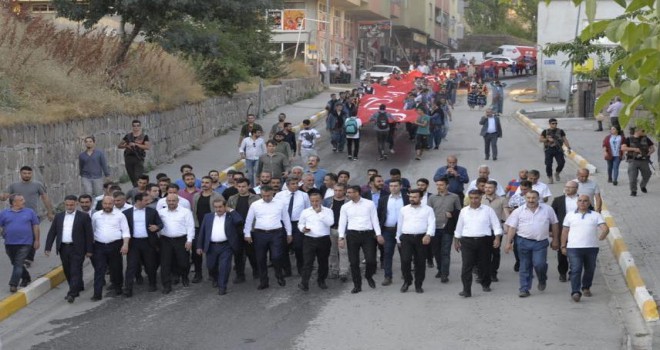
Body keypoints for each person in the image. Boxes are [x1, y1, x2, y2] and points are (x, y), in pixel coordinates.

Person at [504, 191, 559, 298]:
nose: (531, 200)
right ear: (525, 198)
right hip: (523, 241)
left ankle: (542, 278)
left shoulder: (547, 209)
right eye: (528, 198)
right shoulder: (518, 211)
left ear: (538, 198)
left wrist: (556, 239)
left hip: (540, 242)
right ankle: (524, 288)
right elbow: (512, 227)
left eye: (533, 198)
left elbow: (554, 224)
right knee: (525, 265)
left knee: (540, 264)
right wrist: (508, 242)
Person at [1, 165, 55, 267]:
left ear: (32, 174)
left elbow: (45, 198)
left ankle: (29, 259)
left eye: (29, 173)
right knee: (21, 236)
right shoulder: (14, 186)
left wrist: (50, 212)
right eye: (24, 173)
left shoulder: (37, 185)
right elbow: (4, 197)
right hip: (16, 216)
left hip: (33, 215)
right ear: (20, 174)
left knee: (32, 237)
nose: (27, 175)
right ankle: (21, 255)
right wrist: (2, 196)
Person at [454, 190, 503, 298]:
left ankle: (485, 284)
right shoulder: (464, 211)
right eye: (471, 198)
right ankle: (466, 290)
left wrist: (497, 238)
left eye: (476, 198)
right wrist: (456, 240)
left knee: (484, 264)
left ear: (481, 198)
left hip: (484, 240)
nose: (473, 200)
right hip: (467, 241)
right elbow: (459, 226)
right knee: (467, 266)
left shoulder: (488, 210)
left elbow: (496, 225)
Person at [44, 195, 93, 302]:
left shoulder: (83, 217)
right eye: (67, 205)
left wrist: (89, 250)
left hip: (77, 248)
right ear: (64, 205)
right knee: (67, 270)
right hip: (63, 248)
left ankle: (72, 293)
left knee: (75, 269)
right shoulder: (59, 216)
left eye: (71, 205)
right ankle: (78, 285)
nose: (69, 207)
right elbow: (52, 232)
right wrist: (48, 247)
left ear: (76, 204)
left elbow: (89, 234)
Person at [561, 194, 609, 302]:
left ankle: (586, 287)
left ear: (589, 203)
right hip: (574, 248)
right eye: (580, 200)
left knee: (590, 269)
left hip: (591, 247)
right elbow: (564, 231)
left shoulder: (596, 215)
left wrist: (603, 234)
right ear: (577, 202)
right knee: (576, 269)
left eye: (585, 201)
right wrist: (563, 245)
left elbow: (605, 228)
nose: (582, 203)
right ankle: (575, 292)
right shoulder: (570, 215)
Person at [338, 185, 384, 294]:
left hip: (368, 235)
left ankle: (369, 275)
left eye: (350, 192)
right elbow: (342, 222)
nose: (347, 194)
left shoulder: (369, 204)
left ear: (357, 193)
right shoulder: (345, 206)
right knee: (353, 262)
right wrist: (341, 237)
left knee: (371, 260)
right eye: (347, 192)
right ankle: (357, 285)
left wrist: (378, 234)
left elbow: (374, 219)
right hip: (352, 235)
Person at [244, 186, 292, 289]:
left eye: (268, 195)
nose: (266, 198)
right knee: (261, 258)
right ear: (261, 194)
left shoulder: (280, 203)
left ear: (272, 194)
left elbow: (286, 218)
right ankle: (264, 281)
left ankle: (279, 274)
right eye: (264, 195)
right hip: (260, 234)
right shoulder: (255, 205)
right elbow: (249, 220)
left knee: (276, 256)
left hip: (276, 233)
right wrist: (247, 234)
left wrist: (289, 233)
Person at [197, 198, 243, 295]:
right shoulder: (208, 217)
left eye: (220, 207)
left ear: (225, 206)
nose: (218, 209)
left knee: (224, 266)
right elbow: (202, 232)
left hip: (226, 246)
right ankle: (215, 278)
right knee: (211, 266)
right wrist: (199, 246)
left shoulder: (230, 216)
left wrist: (231, 210)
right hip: (211, 246)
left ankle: (222, 287)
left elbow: (239, 221)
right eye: (216, 207)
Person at [122, 193, 163, 297]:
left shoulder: (152, 212)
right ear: (138, 201)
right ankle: (128, 288)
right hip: (133, 242)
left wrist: (156, 227)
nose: (148, 202)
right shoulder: (126, 213)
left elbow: (160, 224)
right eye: (146, 200)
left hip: (148, 242)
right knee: (131, 265)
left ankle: (152, 284)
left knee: (150, 264)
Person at [90, 196, 130, 301]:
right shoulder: (96, 215)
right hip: (99, 246)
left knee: (116, 268)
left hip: (115, 245)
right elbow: (92, 230)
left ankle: (118, 288)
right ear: (102, 204)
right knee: (99, 270)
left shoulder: (120, 215)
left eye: (109, 204)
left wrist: (125, 244)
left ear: (113, 204)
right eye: (105, 204)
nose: (107, 206)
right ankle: (97, 294)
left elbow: (125, 231)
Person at [396, 190, 435, 293]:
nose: (412, 199)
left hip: (421, 238)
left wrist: (428, 235)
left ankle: (418, 284)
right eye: (411, 197)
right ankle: (407, 281)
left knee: (420, 262)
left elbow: (431, 223)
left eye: (415, 197)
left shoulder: (428, 210)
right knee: (405, 260)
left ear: (421, 198)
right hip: (406, 237)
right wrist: (398, 238)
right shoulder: (404, 210)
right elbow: (399, 224)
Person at [0, 194, 40, 293]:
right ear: (14, 203)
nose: (24, 201)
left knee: (18, 263)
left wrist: (37, 240)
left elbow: (36, 226)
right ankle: (26, 277)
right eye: (21, 200)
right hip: (9, 243)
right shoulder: (4, 213)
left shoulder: (29, 212)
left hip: (25, 243)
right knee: (15, 263)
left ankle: (13, 284)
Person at [158, 194, 195, 294]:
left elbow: (190, 227)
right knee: (165, 264)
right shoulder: (161, 212)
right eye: (169, 201)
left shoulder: (185, 212)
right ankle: (166, 285)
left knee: (183, 262)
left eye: (173, 201)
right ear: (166, 202)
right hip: (166, 240)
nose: (171, 203)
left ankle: (184, 276)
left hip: (181, 240)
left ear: (178, 201)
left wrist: (189, 240)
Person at [297, 192, 334, 291]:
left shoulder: (328, 211)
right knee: (308, 262)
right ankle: (304, 282)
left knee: (323, 262)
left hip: (323, 239)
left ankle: (321, 280)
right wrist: (303, 229)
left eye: (317, 200)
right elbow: (300, 223)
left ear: (321, 200)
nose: (314, 203)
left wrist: (320, 213)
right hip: (309, 239)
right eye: (312, 201)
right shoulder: (305, 212)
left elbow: (330, 223)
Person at [274, 177, 311, 276]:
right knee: (283, 247)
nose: (295, 185)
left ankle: (301, 268)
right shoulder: (279, 195)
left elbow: (308, 210)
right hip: (283, 224)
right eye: (292, 184)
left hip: (298, 223)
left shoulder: (304, 195)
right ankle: (287, 270)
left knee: (298, 246)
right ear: (287, 185)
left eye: (296, 183)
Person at [226, 178, 260, 281]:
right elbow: (228, 212)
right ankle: (240, 275)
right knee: (238, 253)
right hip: (237, 230)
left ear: (249, 186)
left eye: (244, 186)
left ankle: (256, 271)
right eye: (239, 187)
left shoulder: (256, 198)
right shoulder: (232, 198)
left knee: (252, 253)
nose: (241, 189)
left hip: (251, 229)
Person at [428, 177, 462, 282]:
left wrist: (452, 214)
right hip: (435, 228)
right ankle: (440, 269)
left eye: (441, 185)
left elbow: (459, 212)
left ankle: (444, 274)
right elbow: (427, 213)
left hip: (448, 227)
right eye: (437, 185)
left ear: (447, 185)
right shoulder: (432, 198)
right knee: (436, 252)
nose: (439, 187)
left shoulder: (454, 197)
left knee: (445, 252)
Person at [190, 176, 223, 283]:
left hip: (212, 227)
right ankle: (198, 274)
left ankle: (213, 275)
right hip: (198, 227)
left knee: (211, 252)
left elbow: (222, 211)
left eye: (207, 182)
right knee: (196, 252)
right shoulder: (196, 196)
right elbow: (194, 211)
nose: (204, 184)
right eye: (203, 182)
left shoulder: (217, 196)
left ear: (211, 184)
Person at [376, 179, 409, 286]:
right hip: (388, 230)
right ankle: (387, 276)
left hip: (403, 231)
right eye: (391, 186)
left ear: (401, 186)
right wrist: (378, 232)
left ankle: (405, 273)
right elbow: (379, 215)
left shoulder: (406, 198)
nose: (393, 188)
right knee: (387, 253)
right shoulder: (383, 199)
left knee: (404, 254)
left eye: (395, 185)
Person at [551, 181, 579, 282]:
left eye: (570, 187)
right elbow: (552, 217)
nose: (567, 189)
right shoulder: (558, 200)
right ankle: (562, 272)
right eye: (566, 187)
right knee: (562, 252)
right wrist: (552, 231)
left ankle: (573, 272)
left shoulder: (582, 199)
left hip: (578, 231)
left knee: (576, 252)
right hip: (562, 230)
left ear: (576, 189)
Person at [481, 181, 509, 282]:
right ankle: (484, 273)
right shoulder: (480, 199)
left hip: (496, 230)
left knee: (495, 252)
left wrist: (507, 225)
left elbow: (506, 214)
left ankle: (493, 273)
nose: (487, 189)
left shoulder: (502, 200)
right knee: (484, 253)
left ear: (495, 189)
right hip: (482, 230)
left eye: (490, 187)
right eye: (486, 187)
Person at [324, 183, 350, 281]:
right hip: (331, 229)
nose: (337, 192)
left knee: (343, 251)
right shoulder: (327, 201)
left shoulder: (348, 201)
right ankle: (334, 270)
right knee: (332, 251)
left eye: (340, 190)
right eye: (335, 190)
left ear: (344, 191)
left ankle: (343, 271)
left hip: (344, 230)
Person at [622, 127, 655, 196]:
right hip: (633, 160)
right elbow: (623, 148)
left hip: (644, 160)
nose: (643, 131)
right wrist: (634, 149)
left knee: (647, 174)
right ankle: (633, 191)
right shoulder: (629, 139)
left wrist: (649, 153)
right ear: (637, 131)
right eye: (642, 130)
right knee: (632, 177)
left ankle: (642, 185)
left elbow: (652, 148)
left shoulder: (646, 138)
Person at [118, 120, 151, 187]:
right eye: (134, 126)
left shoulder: (144, 136)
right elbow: (119, 145)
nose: (136, 127)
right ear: (132, 127)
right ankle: (135, 188)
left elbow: (147, 147)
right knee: (132, 176)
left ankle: (139, 189)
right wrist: (126, 146)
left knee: (138, 176)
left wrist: (136, 144)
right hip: (129, 158)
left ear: (140, 127)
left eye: (137, 126)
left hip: (138, 158)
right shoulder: (128, 136)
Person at [540, 118, 572, 184]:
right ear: (549, 124)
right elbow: (540, 140)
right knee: (548, 164)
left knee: (561, 163)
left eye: (556, 123)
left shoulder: (560, 131)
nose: (555, 125)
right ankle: (550, 177)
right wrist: (548, 139)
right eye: (553, 123)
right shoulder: (545, 131)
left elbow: (565, 139)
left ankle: (557, 173)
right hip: (548, 150)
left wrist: (568, 147)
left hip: (558, 149)